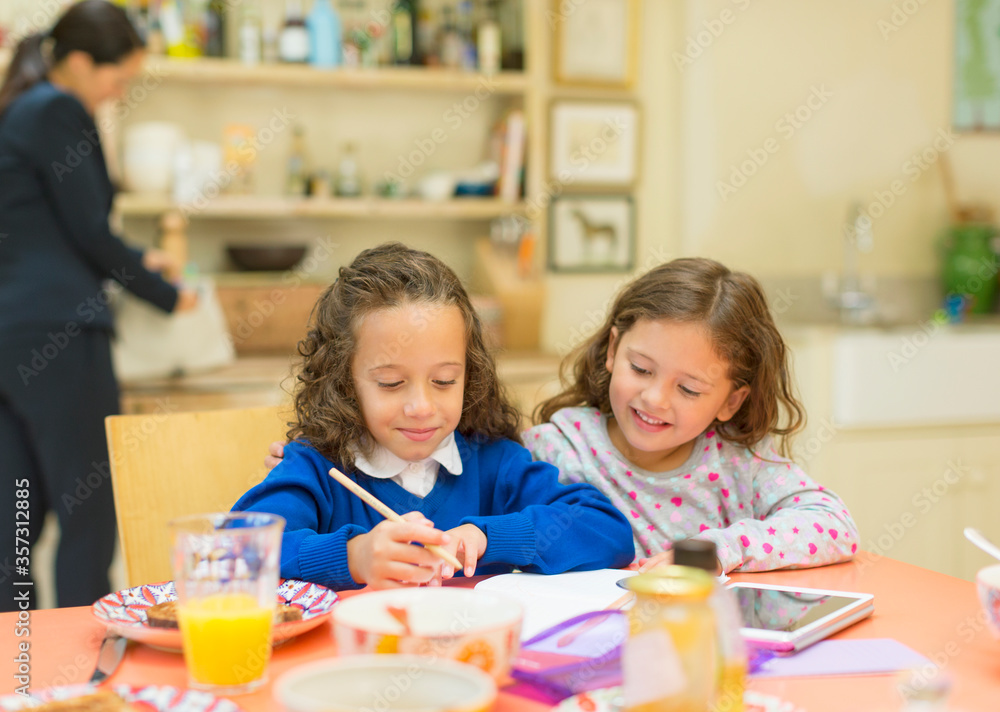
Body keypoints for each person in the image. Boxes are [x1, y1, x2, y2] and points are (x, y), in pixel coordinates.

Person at [233, 243, 634, 590]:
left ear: (469, 375)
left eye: (444, 381)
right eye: (391, 383)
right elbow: (239, 549)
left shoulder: (494, 462)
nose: (422, 407)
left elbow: (606, 530)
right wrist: (353, 557)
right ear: (344, 382)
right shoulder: (316, 466)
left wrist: (488, 537)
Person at [0, 0, 197, 610]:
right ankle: (86, 669)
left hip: (13, 333)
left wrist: (138, 259)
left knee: (16, 520)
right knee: (89, 512)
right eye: (118, 78)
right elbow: (90, 231)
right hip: (62, 332)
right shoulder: (59, 109)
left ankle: (19, 672)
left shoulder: (18, 113)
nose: (118, 92)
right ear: (81, 63)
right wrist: (168, 293)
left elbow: (55, 232)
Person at [528, 257, 858, 574]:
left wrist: (720, 550)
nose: (655, 399)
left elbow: (835, 525)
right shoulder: (558, 449)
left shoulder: (739, 462)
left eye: (688, 389)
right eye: (641, 369)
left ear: (731, 401)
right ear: (613, 350)